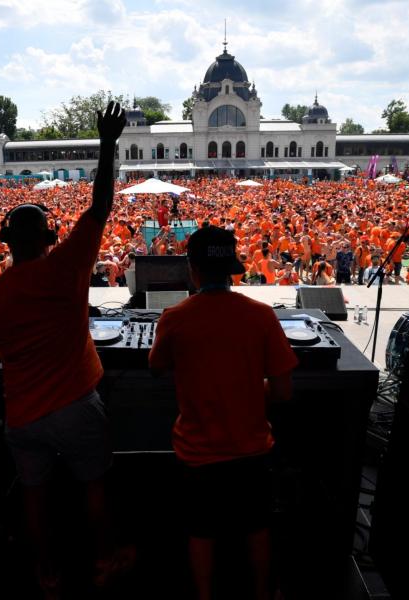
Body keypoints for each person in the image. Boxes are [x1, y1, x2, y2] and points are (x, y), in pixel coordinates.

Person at [0, 101, 130, 596]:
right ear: (51, 236)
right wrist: (106, 143)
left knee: (34, 496)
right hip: (78, 403)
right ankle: (103, 561)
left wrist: (9, 354)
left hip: (23, 414)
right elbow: (101, 205)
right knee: (93, 485)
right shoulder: (68, 264)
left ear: (6, 243)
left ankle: (47, 574)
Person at [148, 226, 298, 600]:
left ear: (191, 270)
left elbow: (155, 367)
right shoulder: (263, 316)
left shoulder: (174, 317)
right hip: (251, 448)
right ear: (233, 269)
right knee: (256, 525)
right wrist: (246, 386)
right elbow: (282, 391)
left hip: (198, 453)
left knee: (201, 529)